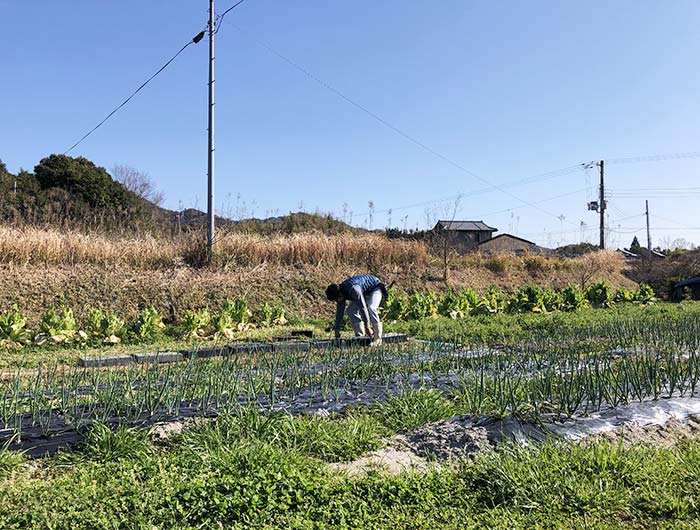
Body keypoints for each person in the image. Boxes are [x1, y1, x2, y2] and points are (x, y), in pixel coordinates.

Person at [326, 274, 388, 346]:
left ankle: (377, 339)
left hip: (375, 288)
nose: (337, 302)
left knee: (371, 308)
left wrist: (367, 326)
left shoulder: (353, 289)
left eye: (336, 300)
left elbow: (362, 307)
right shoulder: (340, 293)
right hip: (364, 292)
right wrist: (337, 330)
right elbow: (339, 313)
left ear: (339, 295)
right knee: (350, 310)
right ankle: (360, 337)